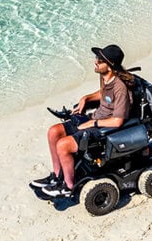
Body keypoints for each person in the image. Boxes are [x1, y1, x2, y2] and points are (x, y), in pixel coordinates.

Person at [31, 44, 132, 198]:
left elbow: (118, 121)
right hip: (95, 118)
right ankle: (58, 176)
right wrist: (86, 98)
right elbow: (103, 93)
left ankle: (68, 186)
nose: (95, 62)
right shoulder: (105, 76)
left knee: (63, 145)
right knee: (54, 132)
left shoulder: (120, 88)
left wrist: (93, 123)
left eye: (99, 60)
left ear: (110, 66)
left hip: (104, 128)